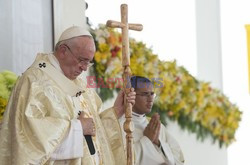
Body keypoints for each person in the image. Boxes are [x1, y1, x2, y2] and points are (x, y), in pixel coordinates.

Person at [0, 26, 135, 165]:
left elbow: (95, 135)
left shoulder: (81, 86)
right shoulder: (34, 81)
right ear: (63, 50)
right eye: (82, 60)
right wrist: (77, 128)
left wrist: (117, 110)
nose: (84, 67)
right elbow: (27, 140)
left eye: (88, 62)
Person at [119, 76, 185, 165]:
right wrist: (147, 139)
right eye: (145, 94)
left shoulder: (155, 126)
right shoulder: (120, 124)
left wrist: (158, 143)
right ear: (131, 95)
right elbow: (119, 159)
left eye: (152, 94)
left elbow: (179, 160)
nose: (150, 99)